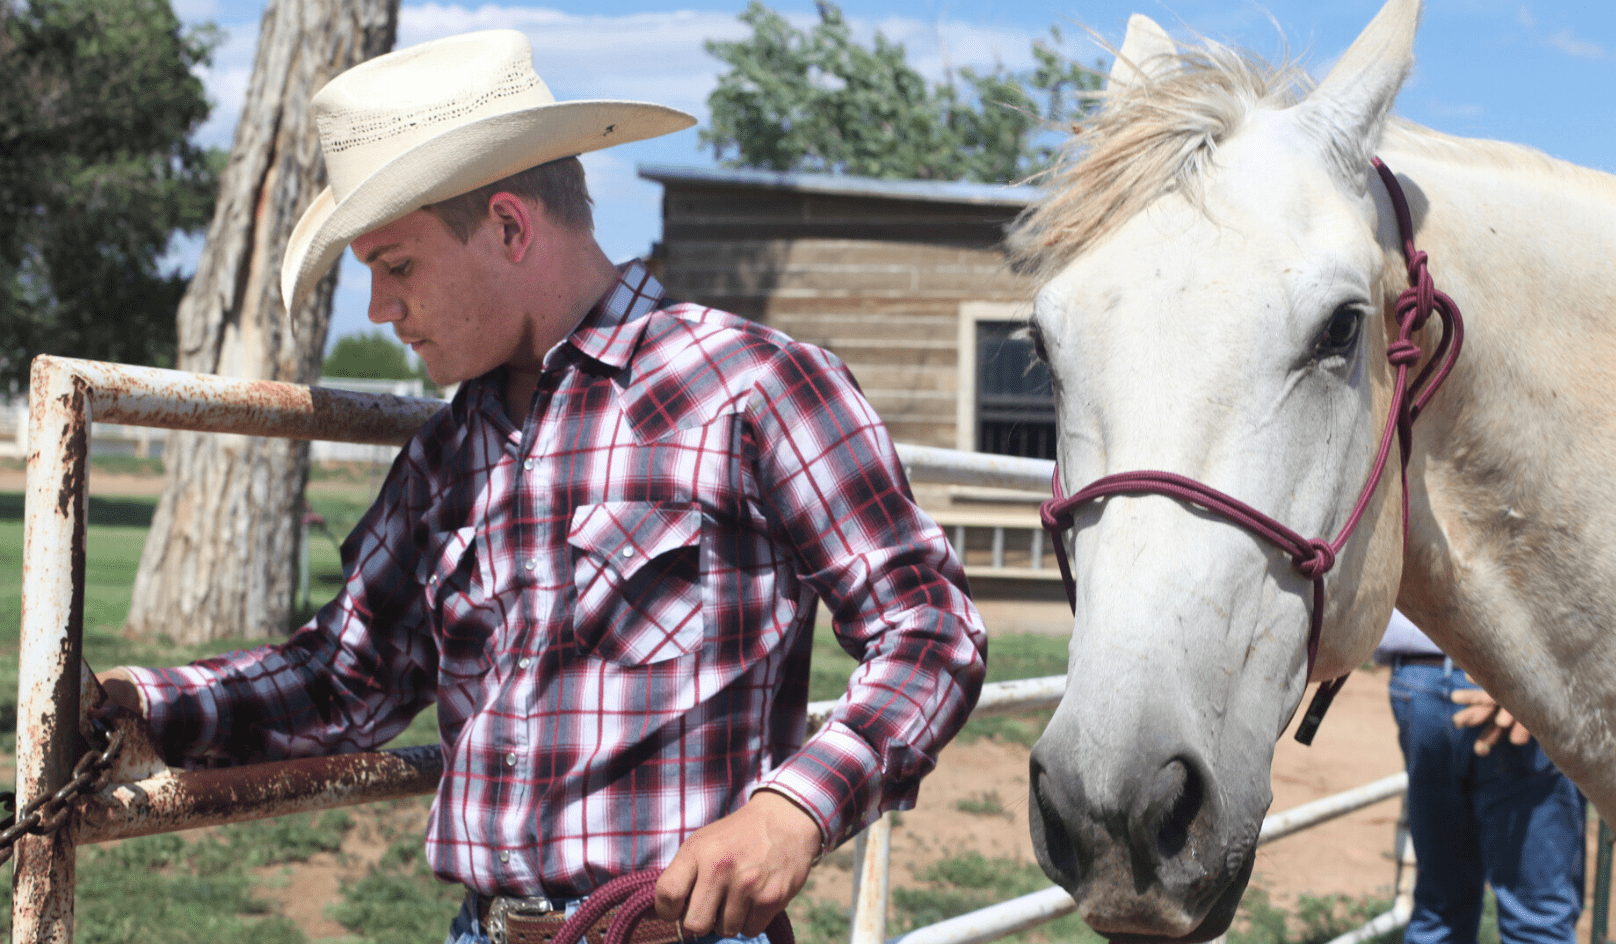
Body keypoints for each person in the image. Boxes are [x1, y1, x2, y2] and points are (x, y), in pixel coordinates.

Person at [94, 30, 987, 944]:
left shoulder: (749, 386)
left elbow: (929, 626)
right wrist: (133, 706)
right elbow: (344, 678)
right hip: (482, 930)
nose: (379, 309)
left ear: (511, 227)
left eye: (396, 265)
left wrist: (793, 811)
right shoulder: (449, 454)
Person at [1379, 611, 1585, 944]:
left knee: (1440, 911)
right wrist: (1527, 676)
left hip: (1419, 674)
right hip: (1517, 671)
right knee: (1536, 922)